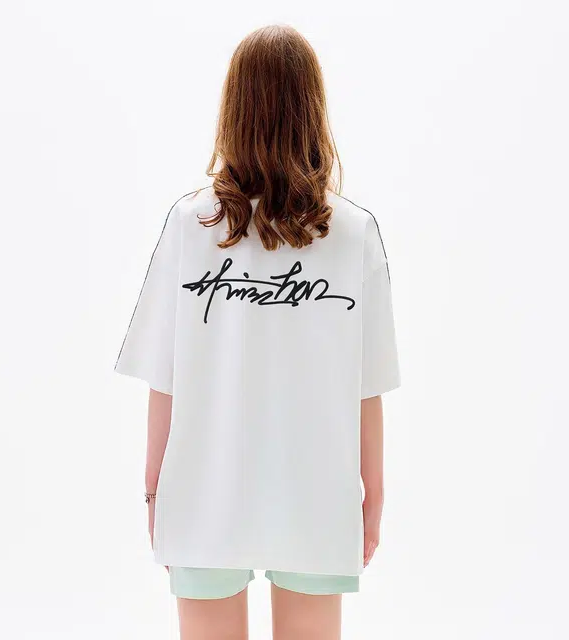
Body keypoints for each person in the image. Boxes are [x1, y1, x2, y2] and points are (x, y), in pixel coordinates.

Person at [115, 24, 400, 640]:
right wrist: (372, 494)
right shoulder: (352, 232)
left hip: (203, 488)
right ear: (313, 108)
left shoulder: (192, 225)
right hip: (316, 490)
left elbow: (164, 377)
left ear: (233, 107)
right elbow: (367, 387)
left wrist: (154, 491)